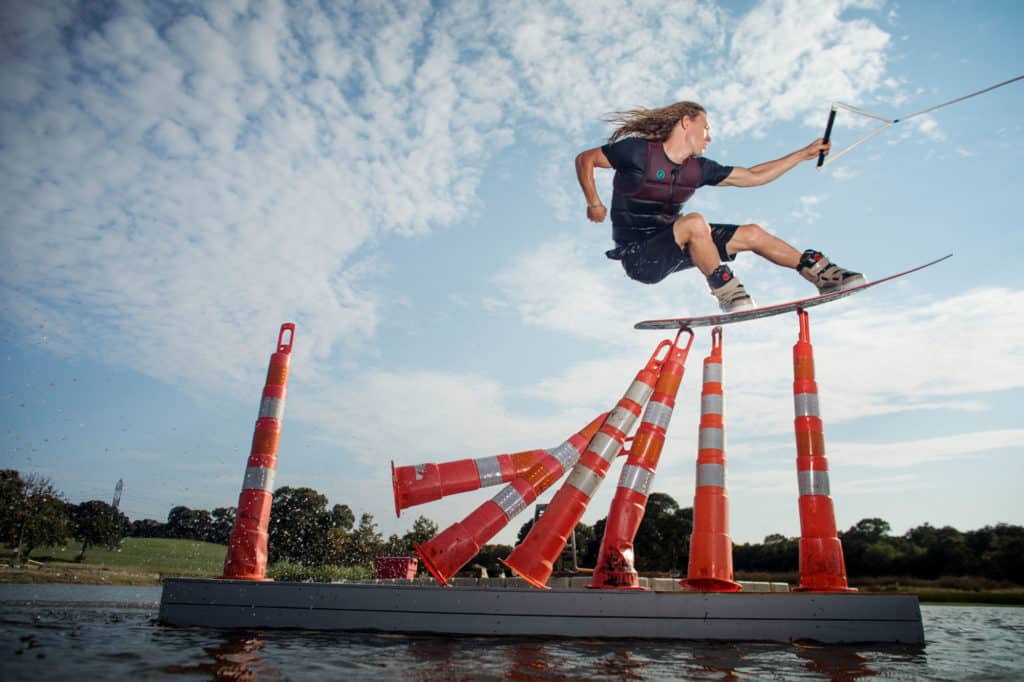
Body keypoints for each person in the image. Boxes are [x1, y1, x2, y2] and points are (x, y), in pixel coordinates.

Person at [575, 101, 864, 312]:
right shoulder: (637, 151)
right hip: (639, 257)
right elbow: (585, 160)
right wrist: (594, 202)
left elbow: (753, 176)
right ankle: (726, 292)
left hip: (676, 245)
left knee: (752, 233)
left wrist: (804, 154)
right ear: (686, 122)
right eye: (706, 129)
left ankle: (821, 276)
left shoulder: (698, 169)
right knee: (694, 222)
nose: (709, 137)